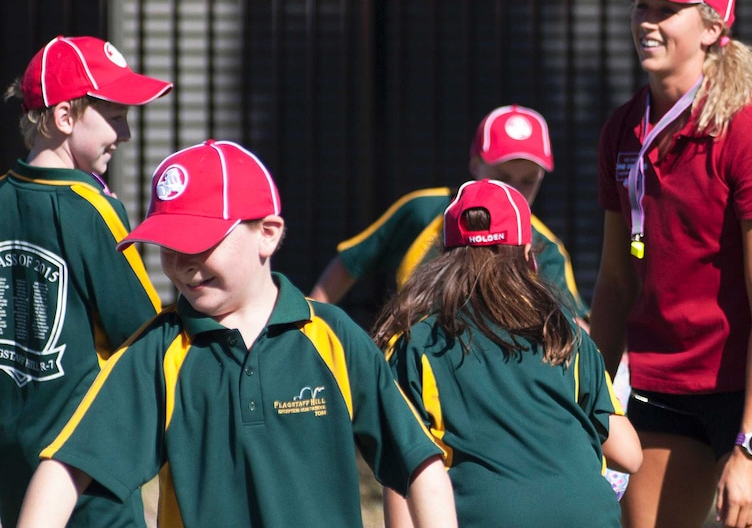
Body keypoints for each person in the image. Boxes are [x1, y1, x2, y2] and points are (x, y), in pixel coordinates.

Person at [16, 139, 458, 528]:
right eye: (169, 247)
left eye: (200, 243)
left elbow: (420, 462)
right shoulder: (159, 349)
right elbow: (66, 467)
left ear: (267, 234)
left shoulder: (332, 337)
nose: (182, 264)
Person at [590, 0, 752, 527]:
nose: (647, 21)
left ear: (713, 29)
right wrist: (587, 404)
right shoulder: (622, 129)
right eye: (642, 6)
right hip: (666, 382)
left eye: (667, 10)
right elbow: (617, 282)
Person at [371, 179, 641, 528]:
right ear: (529, 256)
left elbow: (402, 471)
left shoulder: (415, 342)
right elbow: (630, 455)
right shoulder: (565, 334)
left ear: (444, 258)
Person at [0, 35, 172, 528]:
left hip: (14, 463)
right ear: (64, 118)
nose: (127, 133)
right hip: (87, 459)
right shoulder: (93, 207)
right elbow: (140, 333)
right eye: (116, 117)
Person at [310, 104, 590, 324]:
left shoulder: (546, 248)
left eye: (528, 181)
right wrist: (309, 330)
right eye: (502, 177)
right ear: (475, 164)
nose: (514, 190)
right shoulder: (424, 211)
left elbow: (572, 324)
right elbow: (350, 262)